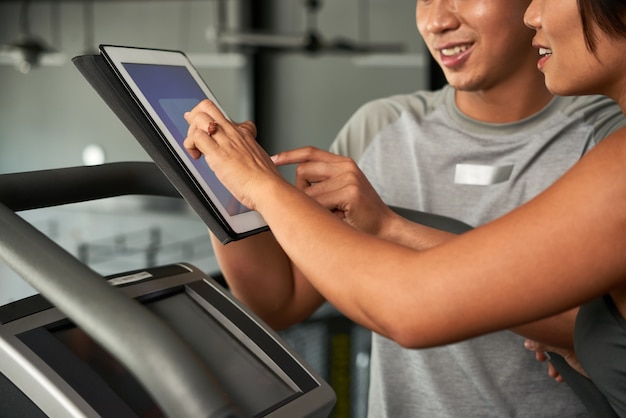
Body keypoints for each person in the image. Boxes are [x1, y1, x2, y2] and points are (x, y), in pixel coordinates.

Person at [184, 0, 626, 417]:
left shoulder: (606, 143)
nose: (436, 21)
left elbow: (414, 302)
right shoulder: (382, 126)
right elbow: (277, 303)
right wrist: (219, 183)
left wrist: (261, 186)